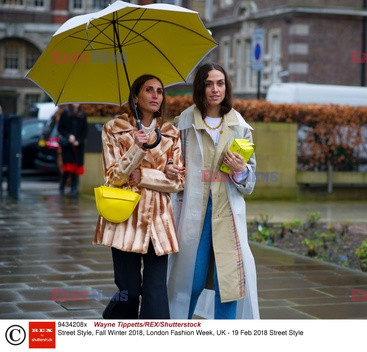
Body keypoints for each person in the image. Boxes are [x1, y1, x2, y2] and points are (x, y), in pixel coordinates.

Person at [166, 63, 259, 319]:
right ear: (200, 88)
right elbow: (171, 166)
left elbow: (250, 182)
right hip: (192, 214)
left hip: (226, 215)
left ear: (226, 87)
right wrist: (171, 169)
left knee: (227, 285)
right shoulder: (183, 123)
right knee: (189, 282)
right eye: (208, 84)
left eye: (220, 83)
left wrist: (240, 170)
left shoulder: (240, 126)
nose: (215, 89)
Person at [93, 74, 184, 319]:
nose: (156, 96)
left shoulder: (171, 133)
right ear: (136, 96)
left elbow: (178, 181)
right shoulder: (114, 129)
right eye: (149, 90)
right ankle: (116, 322)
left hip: (158, 221)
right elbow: (113, 177)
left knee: (155, 292)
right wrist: (136, 148)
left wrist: (147, 175)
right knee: (129, 290)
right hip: (126, 219)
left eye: (160, 91)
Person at [57, 104, 88, 197]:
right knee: (68, 168)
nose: (76, 103)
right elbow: (60, 128)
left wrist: (79, 141)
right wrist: (68, 136)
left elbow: (85, 131)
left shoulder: (82, 115)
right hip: (68, 146)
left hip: (78, 146)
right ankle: (62, 185)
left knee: (76, 168)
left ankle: (73, 188)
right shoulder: (65, 113)